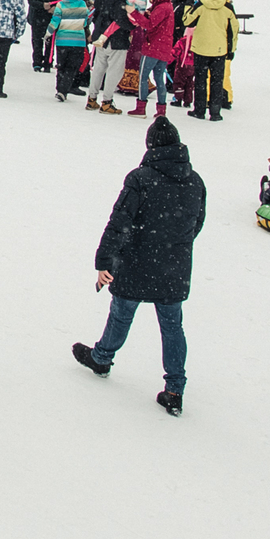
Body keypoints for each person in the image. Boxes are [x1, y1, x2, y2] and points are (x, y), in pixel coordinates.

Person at [72, 115, 205, 417]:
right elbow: (196, 223)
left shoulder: (141, 178)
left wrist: (105, 259)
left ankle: (102, 357)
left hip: (137, 262)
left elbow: (119, 222)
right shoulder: (195, 181)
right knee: (172, 327)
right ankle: (174, 388)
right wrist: (174, 246)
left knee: (121, 314)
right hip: (174, 266)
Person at [181, 0, 238, 122]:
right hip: (219, 50)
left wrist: (188, 7)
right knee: (217, 81)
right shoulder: (227, 7)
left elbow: (187, 21)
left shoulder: (200, 4)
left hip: (201, 48)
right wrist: (231, 49)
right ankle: (215, 112)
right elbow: (233, 30)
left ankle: (199, 110)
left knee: (200, 80)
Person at [85, 0, 136, 115]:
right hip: (117, 36)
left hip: (100, 31)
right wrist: (132, 25)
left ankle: (92, 98)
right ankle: (107, 101)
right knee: (115, 70)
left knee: (99, 67)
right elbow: (121, 16)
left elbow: (99, 8)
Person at [128, 0, 176, 118]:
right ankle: (161, 110)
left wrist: (135, 14)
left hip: (153, 47)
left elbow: (149, 25)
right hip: (164, 48)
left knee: (143, 76)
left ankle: (141, 108)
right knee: (159, 78)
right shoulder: (167, 6)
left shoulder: (162, 8)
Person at [50, 0, 89, 101]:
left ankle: (60, 88)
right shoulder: (82, 4)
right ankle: (64, 89)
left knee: (61, 65)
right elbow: (85, 21)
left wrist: (48, 33)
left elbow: (55, 21)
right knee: (72, 67)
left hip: (63, 40)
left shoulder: (61, 4)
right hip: (78, 41)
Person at [27, 0, 60, 72]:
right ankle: (37, 62)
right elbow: (31, 0)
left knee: (50, 41)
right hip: (38, 18)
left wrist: (55, 8)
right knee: (37, 41)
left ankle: (48, 62)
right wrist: (42, 5)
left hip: (51, 18)